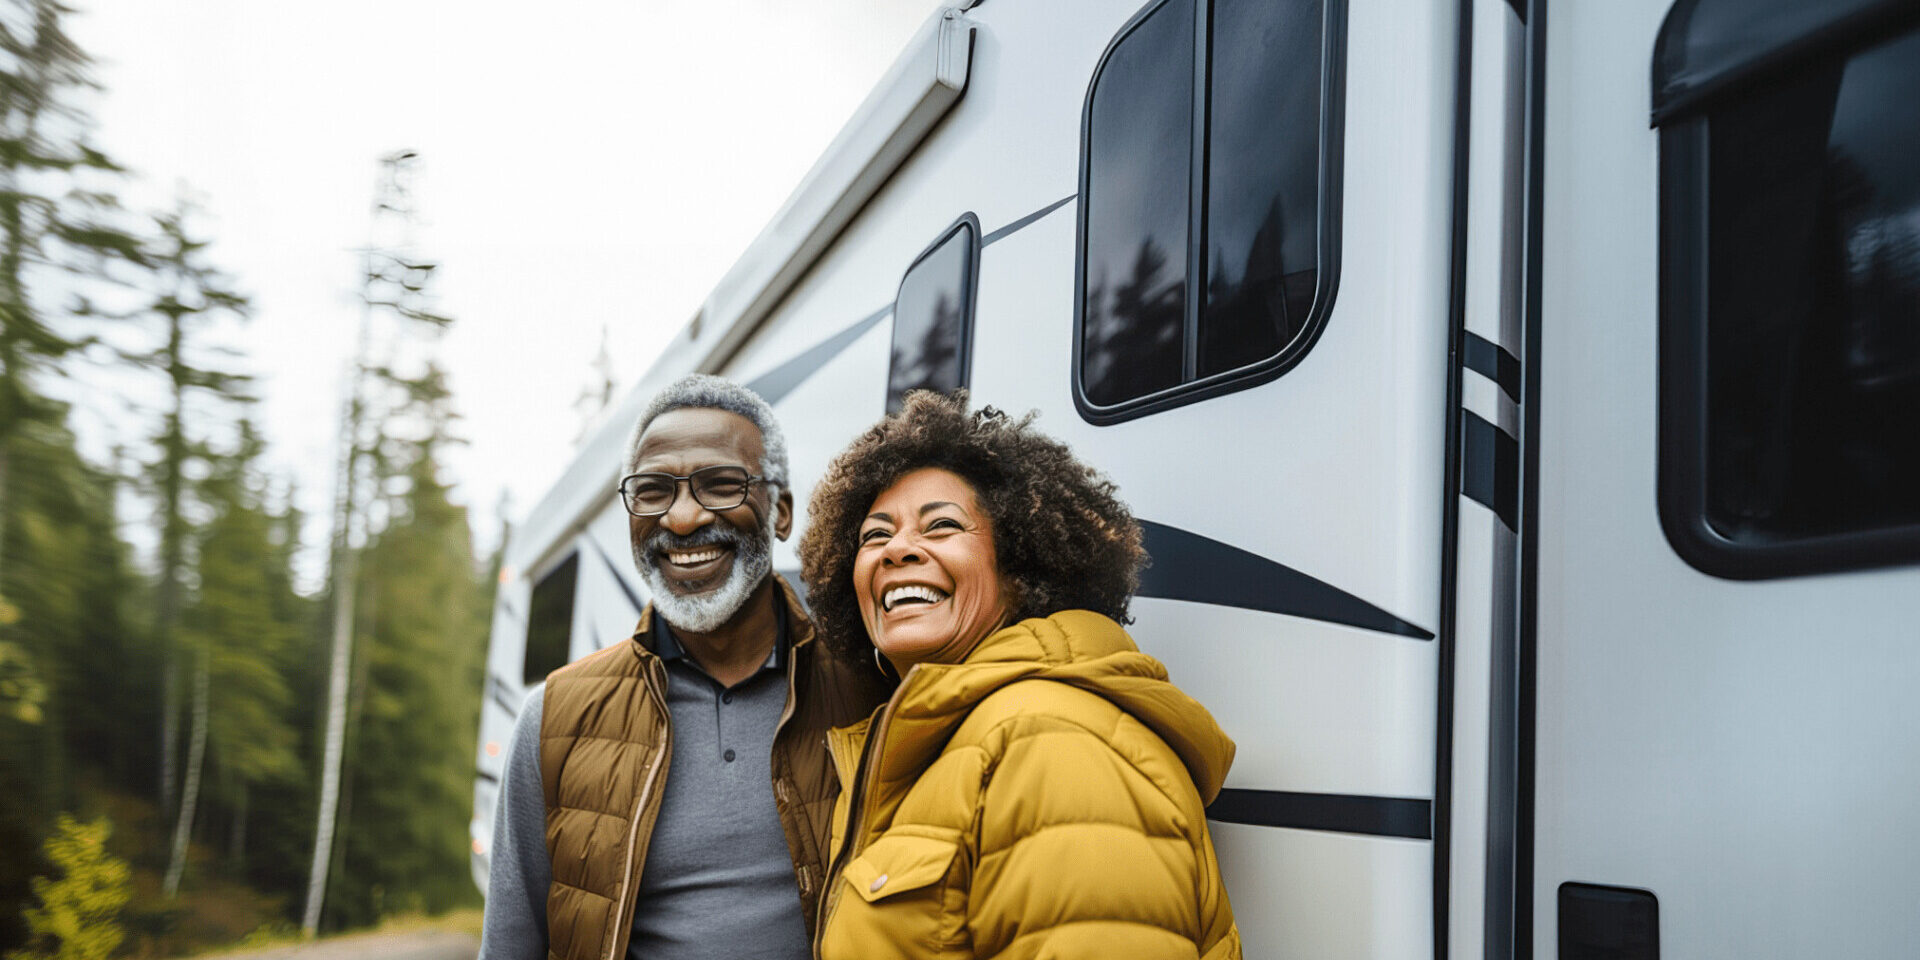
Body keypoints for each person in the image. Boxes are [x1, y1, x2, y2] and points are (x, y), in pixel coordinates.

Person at [798, 391, 1242, 959]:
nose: (898, 548)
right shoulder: (936, 745)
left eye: (941, 527)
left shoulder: (1053, 737)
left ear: (1021, 570)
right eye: (875, 535)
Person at [479, 374, 892, 960]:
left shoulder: (873, 686)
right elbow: (509, 948)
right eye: (652, 491)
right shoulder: (553, 718)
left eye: (720, 485)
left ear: (780, 513)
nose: (681, 519)